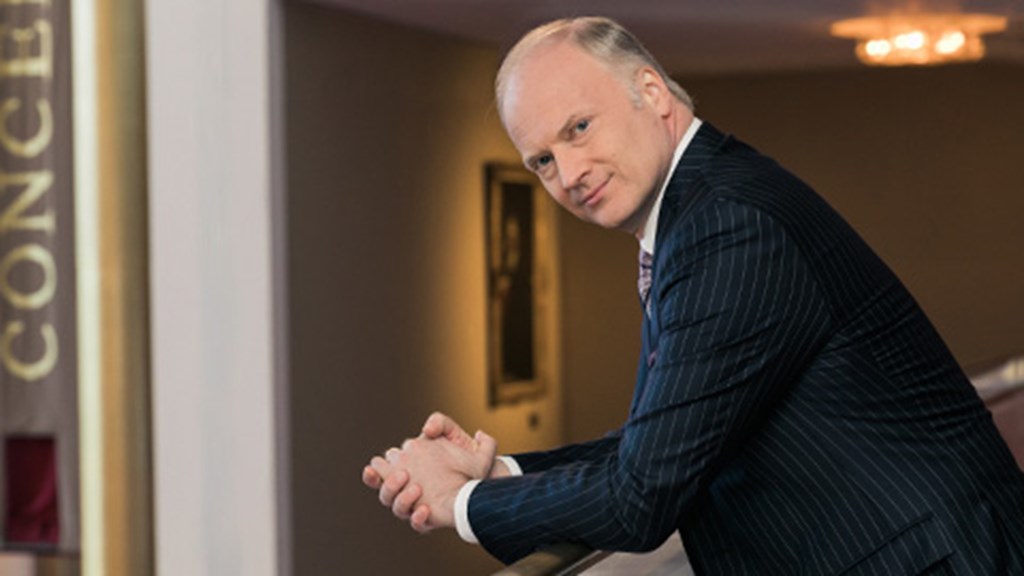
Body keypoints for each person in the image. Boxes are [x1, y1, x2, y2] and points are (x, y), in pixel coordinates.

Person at [363, 16, 1024, 574]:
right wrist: (500, 473)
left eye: (578, 129)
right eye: (541, 160)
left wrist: (461, 503)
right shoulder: (701, 209)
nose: (566, 174)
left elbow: (641, 497)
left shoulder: (724, 226)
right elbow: (668, 438)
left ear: (650, 92)